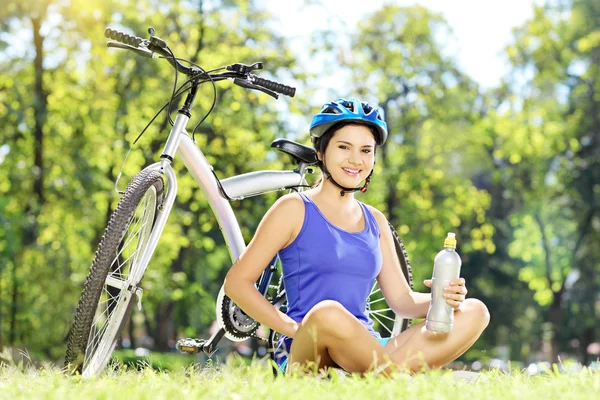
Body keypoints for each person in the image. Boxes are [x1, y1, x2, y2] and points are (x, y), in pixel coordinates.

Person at [223, 97, 490, 376]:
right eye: (343, 147)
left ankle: (382, 381)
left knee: (475, 311)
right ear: (321, 151)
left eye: (366, 150)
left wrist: (442, 297)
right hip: (310, 348)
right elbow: (237, 283)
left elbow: (403, 301)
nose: (356, 159)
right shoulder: (294, 209)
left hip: (368, 349)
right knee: (328, 313)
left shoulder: (375, 220)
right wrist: (295, 329)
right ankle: (396, 382)